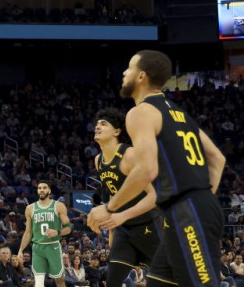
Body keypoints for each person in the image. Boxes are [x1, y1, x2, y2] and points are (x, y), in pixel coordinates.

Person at [88, 50, 226, 287]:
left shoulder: (140, 112)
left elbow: (146, 170)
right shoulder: (179, 113)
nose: (124, 72)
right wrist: (203, 200)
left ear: (141, 76)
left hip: (187, 210)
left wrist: (109, 208)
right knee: (158, 282)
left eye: (129, 68)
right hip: (189, 210)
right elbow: (217, 159)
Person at [86, 108, 159, 287]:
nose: (97, 127)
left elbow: (155, 196)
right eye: (96, 124)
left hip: (150, 227)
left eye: (104, 124)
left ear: (117, 131)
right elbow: (114, 195)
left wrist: (122, 215)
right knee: (112, 281)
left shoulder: (130, 155)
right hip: (124, 230)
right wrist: (112, 228)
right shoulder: (98, 160)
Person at [17, 181, 72, 287]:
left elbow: (69, 228)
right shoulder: (30, 208)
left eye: (44, 187)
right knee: (38, 282)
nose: (41, 190)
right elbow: (28, 232)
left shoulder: (58, 206)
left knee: (59, 280)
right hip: (37, 247)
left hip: (53, 246)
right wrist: (20, 250)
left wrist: (58, 231)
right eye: (39, 188)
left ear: (49, 190)